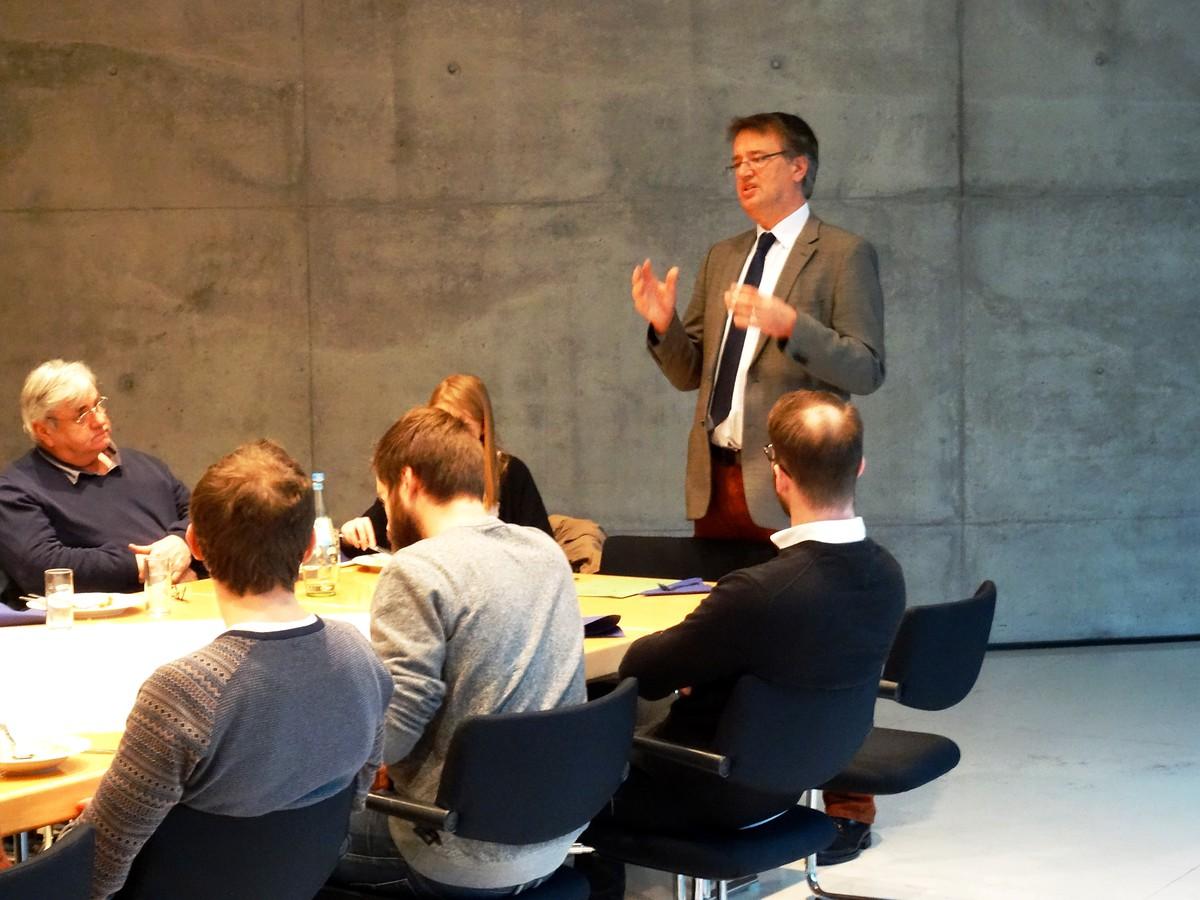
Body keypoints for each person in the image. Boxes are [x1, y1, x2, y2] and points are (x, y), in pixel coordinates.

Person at [601, 392, 905, 886]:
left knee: (566, 759)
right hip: (792, 782)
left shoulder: (760, 591)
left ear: (779, 475)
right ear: (860, 467)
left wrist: (701, 669)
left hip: (702, 789)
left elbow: (643, 671)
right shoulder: (887, 574)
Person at [76, 439, 393, 898]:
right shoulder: (360, 656)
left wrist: (99, 827)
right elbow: (355, 797)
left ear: (194, 544)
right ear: (309, 546)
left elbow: (93, 874)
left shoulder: (183, 692)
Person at [331, 406, 585, 897]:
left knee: (270, 834)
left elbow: (395, 730)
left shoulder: (417, 569)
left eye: (383, 497)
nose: (385, 514)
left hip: (452, 849)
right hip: (554, 838)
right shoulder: (545, 551)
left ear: (407, 482)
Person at [632, 112, 885, 541]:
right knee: (721, 587)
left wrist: (791, 327)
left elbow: (866, 370)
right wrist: (663, 324)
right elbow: (689, 375)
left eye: (758, 158)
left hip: (793, 481)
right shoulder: (723, 256)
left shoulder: (843, 254)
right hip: (715, 482)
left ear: (798, 166)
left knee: (790, 588)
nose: (744, 171)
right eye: (736, 162)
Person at [0, 360, 196, 602]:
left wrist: (181, 541)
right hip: (102, 618)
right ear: (44, 431)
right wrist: (143, 566)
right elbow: (42, 567)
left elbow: (200, 515)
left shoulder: (147, 466)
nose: (100, 420)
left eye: (98, 405)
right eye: (82, 415)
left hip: (189, 603)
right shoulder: (15, 490)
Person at [340, 374, 551, 552]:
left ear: (483, 426)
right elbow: (373, 531)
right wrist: (354, 533)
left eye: (461, 425)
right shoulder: (420, 471)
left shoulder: (510, 472)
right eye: (442, 422)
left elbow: (540, 545)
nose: (450, 434)